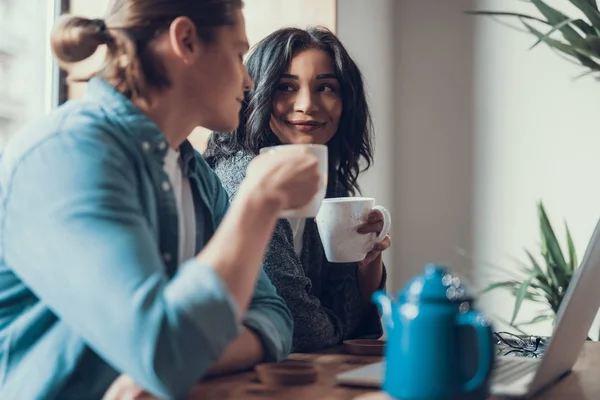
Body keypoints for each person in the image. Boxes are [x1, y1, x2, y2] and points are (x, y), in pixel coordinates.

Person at [0, 1, 322, 399]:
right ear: (185, 41)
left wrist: (176, 363)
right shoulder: (67, 155)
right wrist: (257, 202)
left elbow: (274, 319)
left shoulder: (197, 175)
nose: (249, 80)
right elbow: (164, 354)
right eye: (239, 54)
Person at [204, 27, 391, 352]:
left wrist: (366, 264)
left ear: (346, 102)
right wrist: (338, 325)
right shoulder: (245, 176)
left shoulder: (325, 179)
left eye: (326, 88)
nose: (307, 104)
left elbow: (366, 329)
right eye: (286, 87)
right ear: (256, 94)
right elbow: (302, 330)